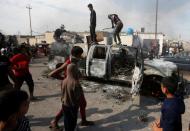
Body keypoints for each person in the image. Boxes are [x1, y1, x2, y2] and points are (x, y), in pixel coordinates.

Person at [49, 46, 93, 129]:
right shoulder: (69, 62)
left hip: (73, 85)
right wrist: (65, 79)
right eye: (80, 54)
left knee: (81, 104)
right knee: (68, 106)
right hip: (70, 86)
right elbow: (53, 74)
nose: (81, 56)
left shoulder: (75, 60)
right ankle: (55, 121)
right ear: (76, 54)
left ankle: (83, 121)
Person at [61, 63, 83, 131]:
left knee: (66, 119)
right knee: (73, 120)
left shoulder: (64, 81)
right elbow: (78, 96)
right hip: (73, 105)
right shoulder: (75, 83)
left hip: (64, 104)